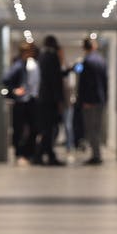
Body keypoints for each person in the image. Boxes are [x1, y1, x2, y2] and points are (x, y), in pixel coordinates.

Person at [34, 35, 65, 166]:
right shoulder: (52, 57)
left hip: (42, 98)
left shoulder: (41, 57)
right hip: (50, 99)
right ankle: (43, 154)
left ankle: (44, 154)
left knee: (47, 129)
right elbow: (55, 80)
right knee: (50, 129)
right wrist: (59, 100)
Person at [77, 38, 108, 165]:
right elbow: (105, 82)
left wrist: (84, 100)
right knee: (97, 127)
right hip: (100, 99)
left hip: (91, 100)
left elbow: (86, 83)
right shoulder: (101, 60)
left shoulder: (87, 61)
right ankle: (96, 154)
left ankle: (96, 156)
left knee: (91, 128)